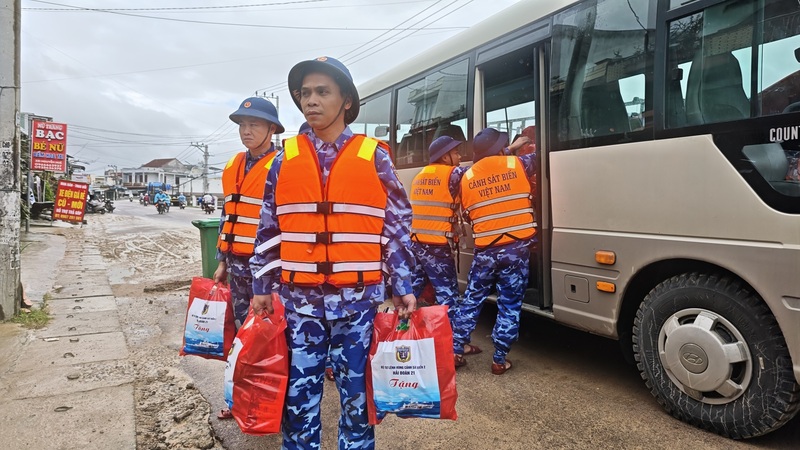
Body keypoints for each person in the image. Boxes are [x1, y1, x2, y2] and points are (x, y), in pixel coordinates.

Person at [249, 56, 416, 449]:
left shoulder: (374, 155)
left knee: (359, 403)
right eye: (305, 93)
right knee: (297, 403)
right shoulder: (283, 160)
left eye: (322, 91)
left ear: (345, 100)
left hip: (357, 305)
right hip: (299, 303)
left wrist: (402, 283)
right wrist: (260, 283)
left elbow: (396, 224)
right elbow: (269, 227)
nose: (311, 100)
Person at [213, 96, 284, 420]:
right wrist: (222, 260)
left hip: (269, 271)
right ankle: (240, 397)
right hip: (238, 266)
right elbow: (228, 214)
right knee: (243, 334)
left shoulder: (282, 166)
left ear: (271, 129)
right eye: (242, 124)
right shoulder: (232, 166)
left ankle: (276, 402)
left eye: (254, 124)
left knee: (274, 336)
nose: (246, 130)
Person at [452, 127, 536, 375]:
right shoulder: (518, 164)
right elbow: (541, 156)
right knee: (509, 304)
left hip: (486, 252)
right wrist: (518, 145)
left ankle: (456, 350)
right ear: (501, 149)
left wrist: (504, 150)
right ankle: (499, 359)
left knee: (472, 299)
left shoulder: (465, 176)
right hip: (515, 250)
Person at [408, 136, 467, 321]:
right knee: (448, 295)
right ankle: (453, 344)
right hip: (437, 246)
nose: (460, 156)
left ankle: (397, 332)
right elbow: (481, 172)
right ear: (444, 157)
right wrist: (507, 151)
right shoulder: (452, 174)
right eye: (456, 153)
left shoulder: (420, 175)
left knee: (411, 293)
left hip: (417, 243)